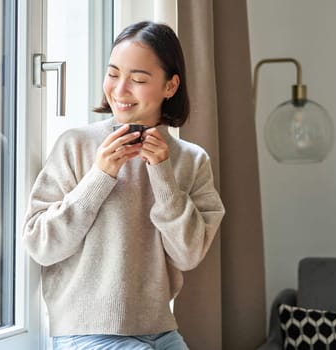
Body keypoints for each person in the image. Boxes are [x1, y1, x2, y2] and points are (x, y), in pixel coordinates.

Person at [23, 21, 225, 349]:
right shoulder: (75, 145)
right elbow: (41, 245)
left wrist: (162, 175)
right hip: (86, 331)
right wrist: (100, 175)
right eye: (113, 73)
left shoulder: (192, 160)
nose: (119, 90)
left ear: (170, 86)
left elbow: (188, 255)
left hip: (162, 329)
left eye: (139, 79)